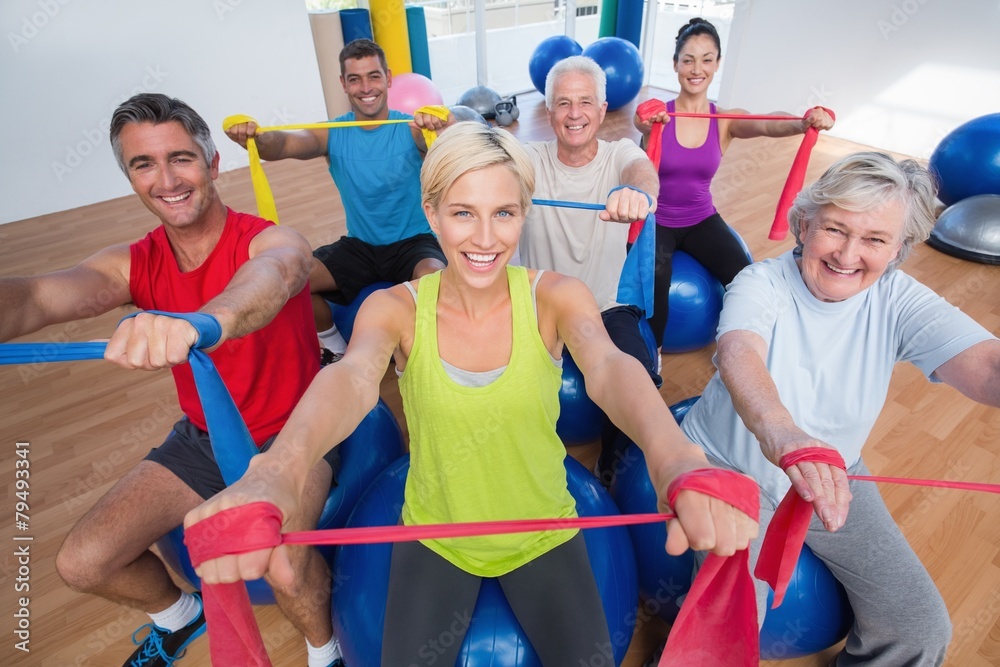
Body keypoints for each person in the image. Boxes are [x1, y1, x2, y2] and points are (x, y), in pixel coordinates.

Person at [184, 122, 758, 665]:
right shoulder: (397, 308)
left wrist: (678, 459)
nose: (485, 239)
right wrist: (277, 471)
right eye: (463, 213)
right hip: (436, 532)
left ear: (523, 213)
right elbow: (352, 379)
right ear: (431, 213)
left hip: (543, 529)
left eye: (504, 213)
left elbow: (610, 369)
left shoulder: (556, 296)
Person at [0, 94, 345, 667]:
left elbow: (276, 274)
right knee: (82, 563)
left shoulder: (267, 240)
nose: (166, 180)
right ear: (130, 178)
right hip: (203, 442)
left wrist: (208, 322)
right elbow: (38, 296)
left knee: (282, 566)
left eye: (181, 159)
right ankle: (181, 618)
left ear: (212, 164)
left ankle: (324, 653)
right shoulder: (133, 263)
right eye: (144, 165)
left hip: (295, 435)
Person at [680, 151, 1000, 665]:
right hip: (733, 468)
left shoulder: (899, 299)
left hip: (834, 472)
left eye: (875, 239)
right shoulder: (761, 282)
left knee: (920, 629)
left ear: (899, 249)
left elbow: (987, 368)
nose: (848, 254)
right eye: (835, 229)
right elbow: (741, 353)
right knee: (731, 634)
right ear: (804, 224)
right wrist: (783, 434)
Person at [225, 38, 449, 362]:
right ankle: (335, 349)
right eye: (355, 79)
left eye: (373, 76)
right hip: (361, 246)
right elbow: (283, 145)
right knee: (291, 276)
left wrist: (439, 127)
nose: (365, 87)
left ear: (388, 78)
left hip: (414, 241)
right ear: (343, 84)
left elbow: (446, 144)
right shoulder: (333, 133)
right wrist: (256, 137)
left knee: (433, 279)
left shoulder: (411, 128)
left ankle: (424, 359)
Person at [633, 17, 835, 350]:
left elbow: (769, 125)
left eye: (707, 59)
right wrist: (645, 121)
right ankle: (651, 353)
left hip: (700, 218)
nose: (697, 68)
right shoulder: (658, 117)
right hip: (656, 220)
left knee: (747, 275)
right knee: (655, 278)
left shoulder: (724, 119)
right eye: (688, 59)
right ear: (675, 65)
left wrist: (804, 121)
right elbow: (641, 125)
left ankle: (750, 345)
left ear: (717, 64)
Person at [517, 55, 663, 486]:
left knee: (638, 381)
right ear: (548, 111)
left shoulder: (621, 153)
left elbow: (643, 172)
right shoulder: (528, 158)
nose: (575, 113)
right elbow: (489, 161)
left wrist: (637, 193)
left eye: (585, 102)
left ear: (602, 109)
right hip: (540, 302)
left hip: (605, 304)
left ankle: (611, 465)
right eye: (563, 103)